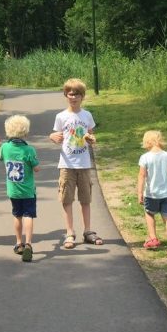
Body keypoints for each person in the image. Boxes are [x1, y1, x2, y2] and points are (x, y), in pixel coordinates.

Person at [49, 78, 103, 249]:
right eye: (70, 94)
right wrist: (52, 137)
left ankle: (87, 231)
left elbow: (90, 134)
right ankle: (70, 232)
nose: (73, 97)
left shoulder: (87, 115)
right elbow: (55, 135)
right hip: (66, 164)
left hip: (84, 163)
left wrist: (91, 139)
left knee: (85, 199)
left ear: (82, 96)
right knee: (67, 199)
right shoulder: (61, 116)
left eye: (77, 94)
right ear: (66, 95)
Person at [0, 114, 40, 262]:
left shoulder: (6, 148)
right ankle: (28, 244)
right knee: (28, 215)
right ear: (25, 132)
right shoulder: (29, 150)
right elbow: (36, 168)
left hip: (13, 192)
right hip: (28, 191)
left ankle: (18, 243)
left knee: (17, 215)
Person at [137, 129, 167, 254]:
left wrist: (140, 192)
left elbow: (142, 176)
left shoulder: (145, 158)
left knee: (149, 213)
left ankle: (153, 238)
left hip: (151, 194)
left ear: (147, 142)